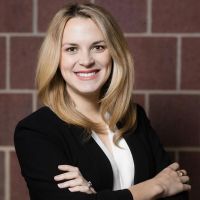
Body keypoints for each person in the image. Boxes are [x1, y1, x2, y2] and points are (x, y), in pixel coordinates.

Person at [14, 3, 191, 200]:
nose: (86, 60)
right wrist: (154, 188)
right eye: (72, 49)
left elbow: (178, 190)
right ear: (56, 57)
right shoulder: (36, 131)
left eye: (98, 47)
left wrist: (97, 196)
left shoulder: (133, 117)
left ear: (114, 52)